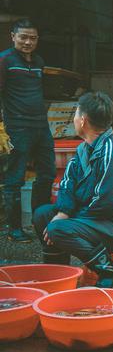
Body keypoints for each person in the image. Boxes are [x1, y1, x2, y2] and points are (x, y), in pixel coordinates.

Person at [33, 92, 113, 288]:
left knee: (57, 228)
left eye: (76, 114)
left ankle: (108, 272)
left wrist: (68, 221)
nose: (74, 118)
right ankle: (59, 273)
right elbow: (68, 184)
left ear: (83, 121)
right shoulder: (84, 148)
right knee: (42, 216)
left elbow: (105, 203)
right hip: (96, 218)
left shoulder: (112, 152)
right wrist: (63, 212)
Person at [0, 18, 55, 242]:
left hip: (41, 126)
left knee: (47, 174)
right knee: (14, 179)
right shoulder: (4, 60)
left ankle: (39, 222)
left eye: (32, 38)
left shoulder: (39, 61)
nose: (27, 42)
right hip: (17, 127)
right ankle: (14, 228)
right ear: (13, 36)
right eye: (23, 37)